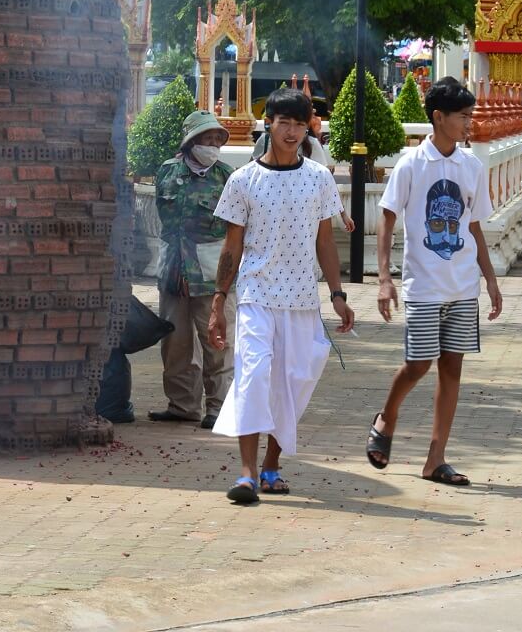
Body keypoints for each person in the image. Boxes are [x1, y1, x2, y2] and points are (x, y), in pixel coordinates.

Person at [209, 87, 355, 503]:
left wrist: (338, 294)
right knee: (253, 376)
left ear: (310, 127)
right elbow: (231, 246)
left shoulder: (319, 178)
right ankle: (247, 474)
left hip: (303, 298)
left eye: (299, 123)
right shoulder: (243, 180)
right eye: (283, 122)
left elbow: (325, 242)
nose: (291, 132)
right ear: (268, 123)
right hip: (255, 294)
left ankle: (272, 466)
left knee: (291, 383)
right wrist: (219, 302)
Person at [366, 76, 501, 487]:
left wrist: (491, 281)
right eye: (463, 116)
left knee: (452, 369)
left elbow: (474, 227)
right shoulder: (411, 164)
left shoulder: (471, 166)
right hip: (423, 286)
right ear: (439, 118)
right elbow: (386, 223)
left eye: (470, 115)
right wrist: (384, 279)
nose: (469, 124)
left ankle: (435, 459)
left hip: (463, 287)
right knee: (418, 364)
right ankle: (387, 417)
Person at [149, 112, 234, 428]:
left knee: (218, 344)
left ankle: (219, 409)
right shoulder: (168, 172)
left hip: (212, 274)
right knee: (176, 344)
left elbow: (238, 228)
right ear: (190, 142)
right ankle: (182, 405)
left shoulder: (227, 176)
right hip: (172, 270)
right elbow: (167, 220)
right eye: (205, 139)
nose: (212, 145)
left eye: (216, 140)